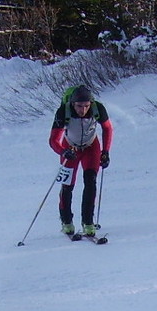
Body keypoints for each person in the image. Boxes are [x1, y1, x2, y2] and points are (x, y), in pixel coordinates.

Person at [49, 84, 113, 237]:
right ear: (72, 103)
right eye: (79, 106)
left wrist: (105, 152)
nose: (83, 110)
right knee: (67, 186)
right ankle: (66, 221)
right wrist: (63, 151)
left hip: (91, 147)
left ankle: (88, 221)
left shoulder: (98, 108)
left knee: (90, 182)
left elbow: (108, 128)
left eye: (86, 106)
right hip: (70, 147)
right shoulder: (63, 111)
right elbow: (53, 140)